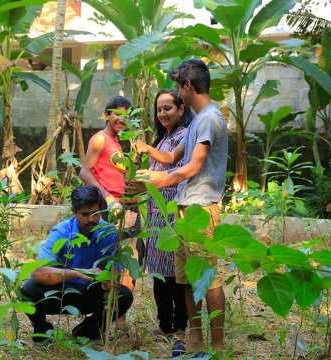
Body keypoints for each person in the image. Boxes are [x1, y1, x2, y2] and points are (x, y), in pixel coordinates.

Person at [132, 59, 228, 351]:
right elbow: (175, 159)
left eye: (178, 86)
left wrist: (155, 182)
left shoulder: (210, 118)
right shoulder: (198, 120)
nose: (177, 91)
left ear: (188, 86)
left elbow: (192, 167)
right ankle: (196, 337)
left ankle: (219, 345)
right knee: (187, 278)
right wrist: (147, 159)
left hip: (201, 208)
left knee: (208, 278)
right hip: (185, 208)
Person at [20, 185, 134, 342]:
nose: (91, 219)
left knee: (124, 295)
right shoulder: (61, 232)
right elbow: (38, 273)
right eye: (85, 214)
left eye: (95, 213)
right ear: (74, 212)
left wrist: (110, 280)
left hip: (92, 293)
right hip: (61, 292)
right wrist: (80, 273)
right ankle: (43, 330)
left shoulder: (109, 233)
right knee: (28, 290)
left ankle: (88, 331)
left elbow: (116, 271)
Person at [142, 89, 193, 335]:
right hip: (156, 215)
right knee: (160, 275)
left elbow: (177, 168)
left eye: (167, 108)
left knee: (175, 275)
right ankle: (165, 324)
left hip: (173, 213)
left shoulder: (185, 136)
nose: (162, 113)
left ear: (181, 109)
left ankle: (179, 325)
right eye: (159, 109)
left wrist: (146, 154)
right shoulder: (163, 138)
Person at [79, 96, 131, 208]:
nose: (122, 119)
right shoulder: (100, 139)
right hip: (106, 204)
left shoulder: (116, 142)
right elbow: (84, 173)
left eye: (126, 116)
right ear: (106, 116)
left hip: (119, 204)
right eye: (117, 114)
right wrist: (108, 198)